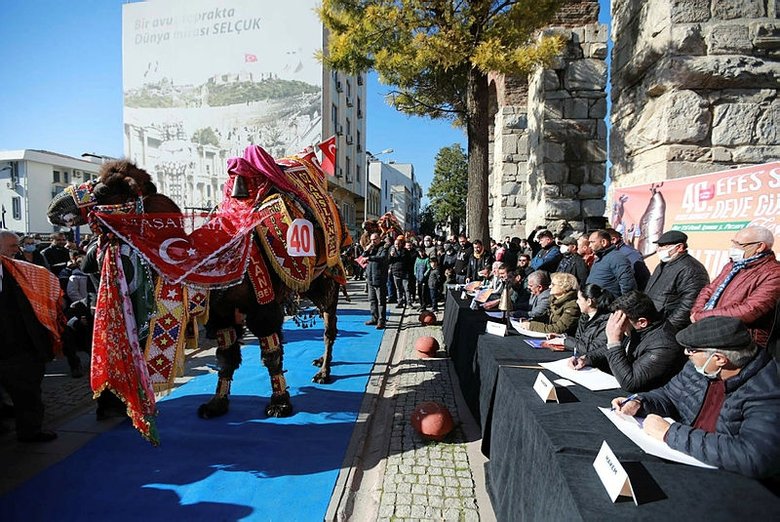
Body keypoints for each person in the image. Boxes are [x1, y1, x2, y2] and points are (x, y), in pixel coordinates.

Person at [611, 316, 780, 478]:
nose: (686, 353)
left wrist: (670, 433)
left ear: (719, 359)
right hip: (682, 457)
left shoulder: (768, 389)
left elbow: (755, 457)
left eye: (691, 350)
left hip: (727, 480)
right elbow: (669, 395)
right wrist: (639, 402)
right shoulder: (701, 368)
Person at [0, 230, 63, 442]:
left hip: (20, 346)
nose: (17, 250)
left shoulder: (21, 270)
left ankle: (30, 431)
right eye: (12, 247)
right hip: (8, 345)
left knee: (28, 392)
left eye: (17, 246)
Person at [572, 290, 684, 392]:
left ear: (642, 322)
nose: (617, 324)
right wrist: (587, 358)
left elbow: (631, 383)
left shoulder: (664, 345)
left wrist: (613, 340)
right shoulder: (638, 329)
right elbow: (611, 348)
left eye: (621, 320)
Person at [690, 225, 780, 348]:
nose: (734, 248)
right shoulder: (732, 265)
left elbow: (749, 310)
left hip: (740, 342)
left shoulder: (774, 273)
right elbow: (710, 289)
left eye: (739, 244)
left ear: (760, 246)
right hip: (710, 331)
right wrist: (697, 310)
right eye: (733, 243)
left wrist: (703, 316)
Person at [644, 230, 709, 331]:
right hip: (652, 322)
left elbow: (688, 305)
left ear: (679, 247)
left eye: (663, 246)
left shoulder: (692, 269)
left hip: (667, 328)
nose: (659, 249)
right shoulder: (663, 264)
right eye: (659, 246)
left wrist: (667, 328)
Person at [554, 284, 614, 356]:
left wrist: (564, 341)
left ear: (589, 302)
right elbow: (579, 340)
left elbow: (592, 349)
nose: (577, 302)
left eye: (579, 299)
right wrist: (562, 337)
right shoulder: (585, 317)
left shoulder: (606, 323)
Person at [585, 229, 636, 297]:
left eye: (592, 242)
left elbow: (628, 285)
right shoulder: (599, 258)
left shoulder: (617, 258)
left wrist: (623, 305)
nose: (590, 246)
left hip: (609, 304)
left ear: (603, 242)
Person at [363, 232, 389, 329]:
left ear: (379, 239)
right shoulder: (371, 248)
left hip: (379, 278)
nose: (373, 241)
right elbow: (363, 255)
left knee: (381, 301)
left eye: (375, 239)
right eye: (372, 239)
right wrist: (367, 250)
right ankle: (374, 318)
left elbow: (382, 258)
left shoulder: (383, 248)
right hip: (370, 278)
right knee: (372, 300)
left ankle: (381, 320)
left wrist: (369, 258)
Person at [388, 235, 412, 308]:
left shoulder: (405, 251)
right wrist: (391, 256)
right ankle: (400, 302)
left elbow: (409, 262)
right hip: (396, 272)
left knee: (406, 288)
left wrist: (409, 271)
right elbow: (388, 261)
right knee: (398, 289)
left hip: (405, 272)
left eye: (398, 244)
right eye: (396, 244)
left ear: (401, 244)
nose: (397, 246)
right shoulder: (391, 251)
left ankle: (409, 303)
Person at [414, 247, 431, 311]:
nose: (421, 253)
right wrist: (415, 273)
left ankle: (424, 306)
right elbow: (415, 266)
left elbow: (429, 268)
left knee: (424, 293)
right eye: (419, 252)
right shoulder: (417, 258)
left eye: (422, 252)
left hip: (423, 278)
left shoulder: (426, 259)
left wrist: (425, 275)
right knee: (419, 292)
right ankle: (421, 305)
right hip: (418, 277)